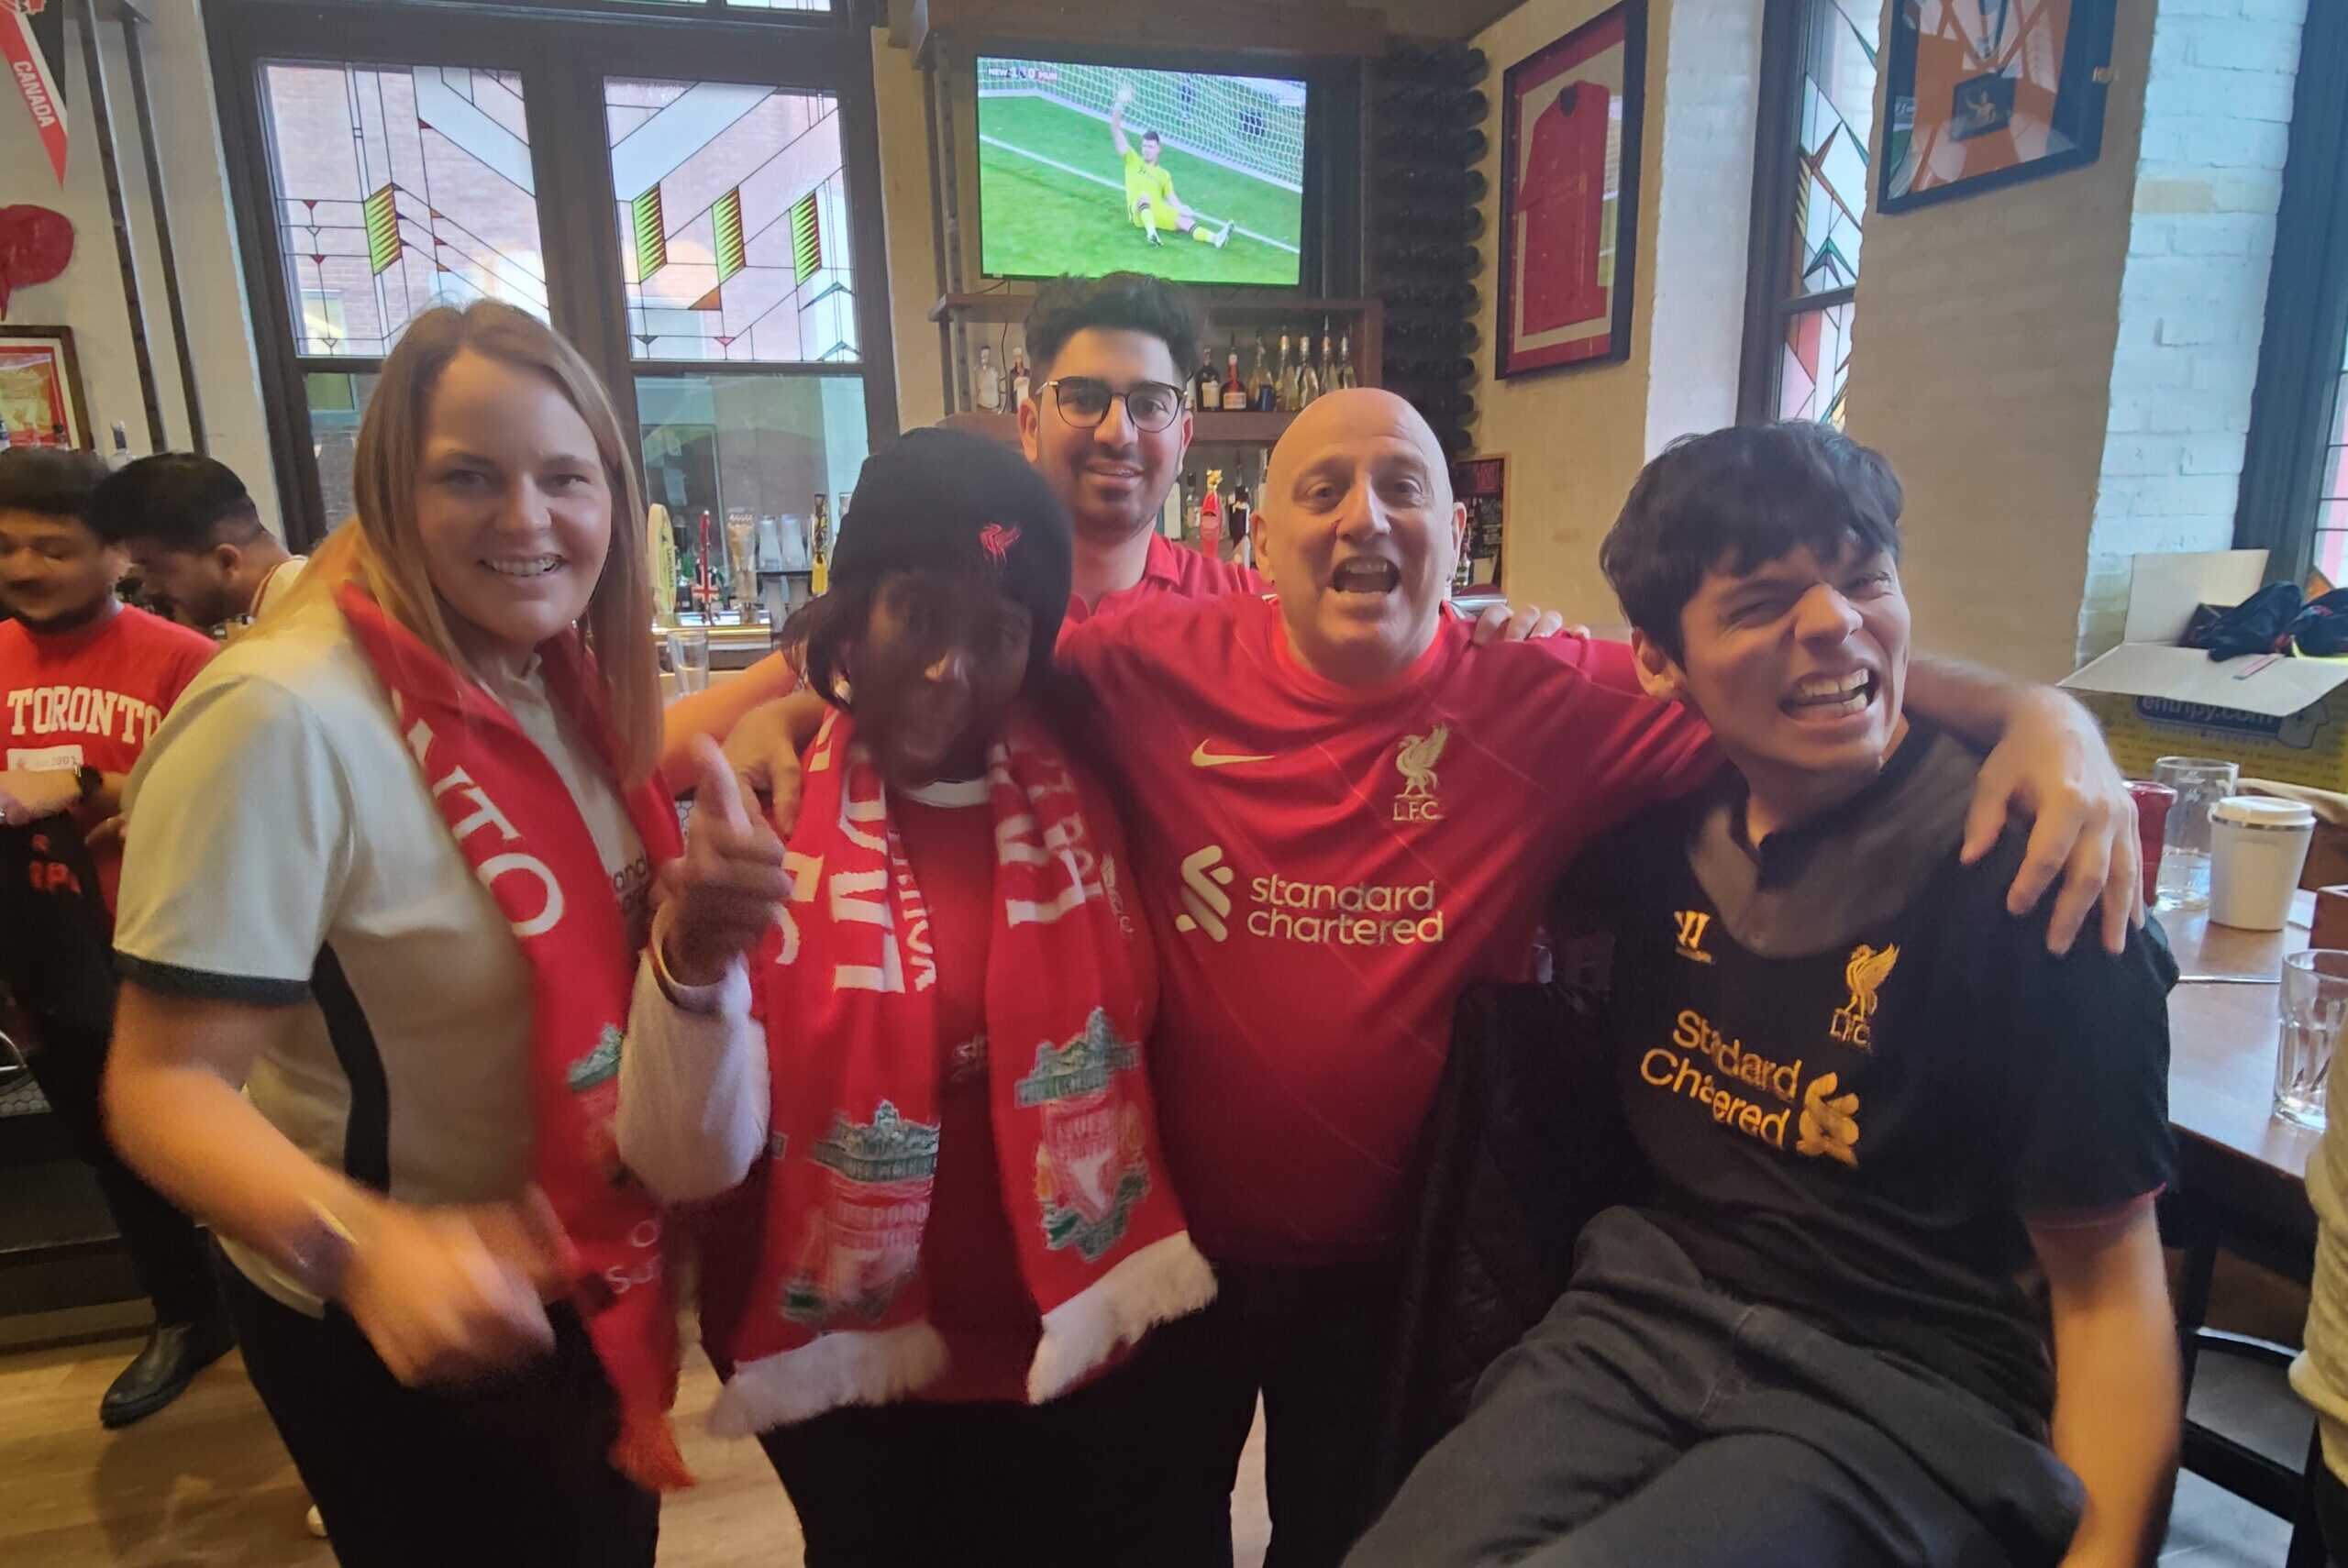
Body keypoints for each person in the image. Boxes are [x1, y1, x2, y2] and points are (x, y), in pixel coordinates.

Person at [730, 390, 2149, 1567]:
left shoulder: (1557, 700)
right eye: (1324, 490)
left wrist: (2042, 708)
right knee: (1151, 1542)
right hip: (1176, 1256)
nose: (1366, 516)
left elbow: (1785, 668)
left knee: (1351, 1539)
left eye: (1403, 484)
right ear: (1255, 541)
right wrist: (758, 712)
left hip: (1401, 1264)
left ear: (1453, 534)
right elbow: (949, 658)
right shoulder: (1146, 659)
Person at [1347, 421, 2181, 1568]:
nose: (1835, 624)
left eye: (1863, 578)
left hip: (1901, 1397)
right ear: (1658, 660)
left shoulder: (2032, 877)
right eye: (1759, 603)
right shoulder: (1654, 829)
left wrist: (2051, 716)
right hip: (1638, 1321)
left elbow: (2108, 1300)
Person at [103, 301, 683, 1568]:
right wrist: (361, 1248)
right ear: (385, 489)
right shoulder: (279, 714)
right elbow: (158, 1084)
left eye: (564, 478)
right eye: (469, 477)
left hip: (577, 1274)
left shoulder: (542, 672)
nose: (528, 520)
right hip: (400, 1315)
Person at [618, 427, 1217, 1566]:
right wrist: (691, 963)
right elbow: (683, 1162)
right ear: (847, 619)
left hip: (1086, 1351)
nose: (950, 668)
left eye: (995, 633)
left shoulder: (1101, 772)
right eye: (914, 614)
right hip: (849, 1386)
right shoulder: (759, 809)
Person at [0, 445, 227, 1429]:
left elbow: (233, 792)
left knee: (219, 1150)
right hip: (45, 955)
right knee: (108, 1149)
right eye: (8, 546)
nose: (25, 567)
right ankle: (183, 1315)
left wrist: (88, 785)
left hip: (176, 952)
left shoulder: (187, 660)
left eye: (55, 547)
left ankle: (274, 1318)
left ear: (116, 556)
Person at [88, 453, 305, 632]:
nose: (148, 589)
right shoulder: (304, 599)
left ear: (226, 562)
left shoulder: (302, 627)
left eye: (155, 568)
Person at [1113, 83, 1230, 249]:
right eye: (1144, 146)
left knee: (1186, 222)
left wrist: (1183, 209)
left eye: (1150, 147)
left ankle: (1215, 238)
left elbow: (1172, 199)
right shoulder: (1133, 160)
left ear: (1158, 149)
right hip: (1138, 212)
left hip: (1158, 211)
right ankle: (1151, 233)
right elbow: (1115, 130)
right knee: (1144, 196)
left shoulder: (1164, 175)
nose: (1146, 150)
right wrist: (1119, 104)